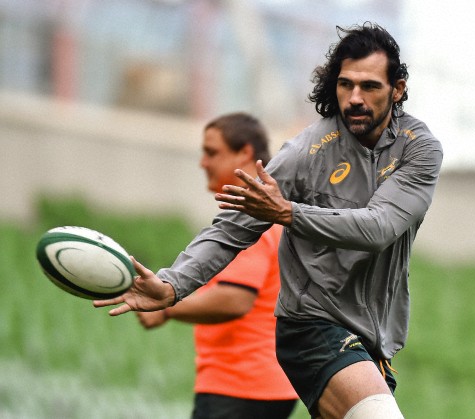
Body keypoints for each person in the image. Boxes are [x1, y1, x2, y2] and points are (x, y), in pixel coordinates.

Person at [95, 22, 443, 419]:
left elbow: (379, 227)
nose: (354, 99)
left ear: (397, 89)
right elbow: (232, 228)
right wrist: (172, 285)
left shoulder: (420, 150)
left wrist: (288, 213)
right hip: (311, 326)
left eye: (370, 87)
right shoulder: (307, 151)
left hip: (373, 342)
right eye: (345, 85)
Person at [135, 113, 298, 419]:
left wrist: (166, 308)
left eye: (212, 152)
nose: (203, 163)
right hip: (262, 385)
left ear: (245, 153)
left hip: (240, 386)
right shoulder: (265, 210)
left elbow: (236, 298)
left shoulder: (251, 217)